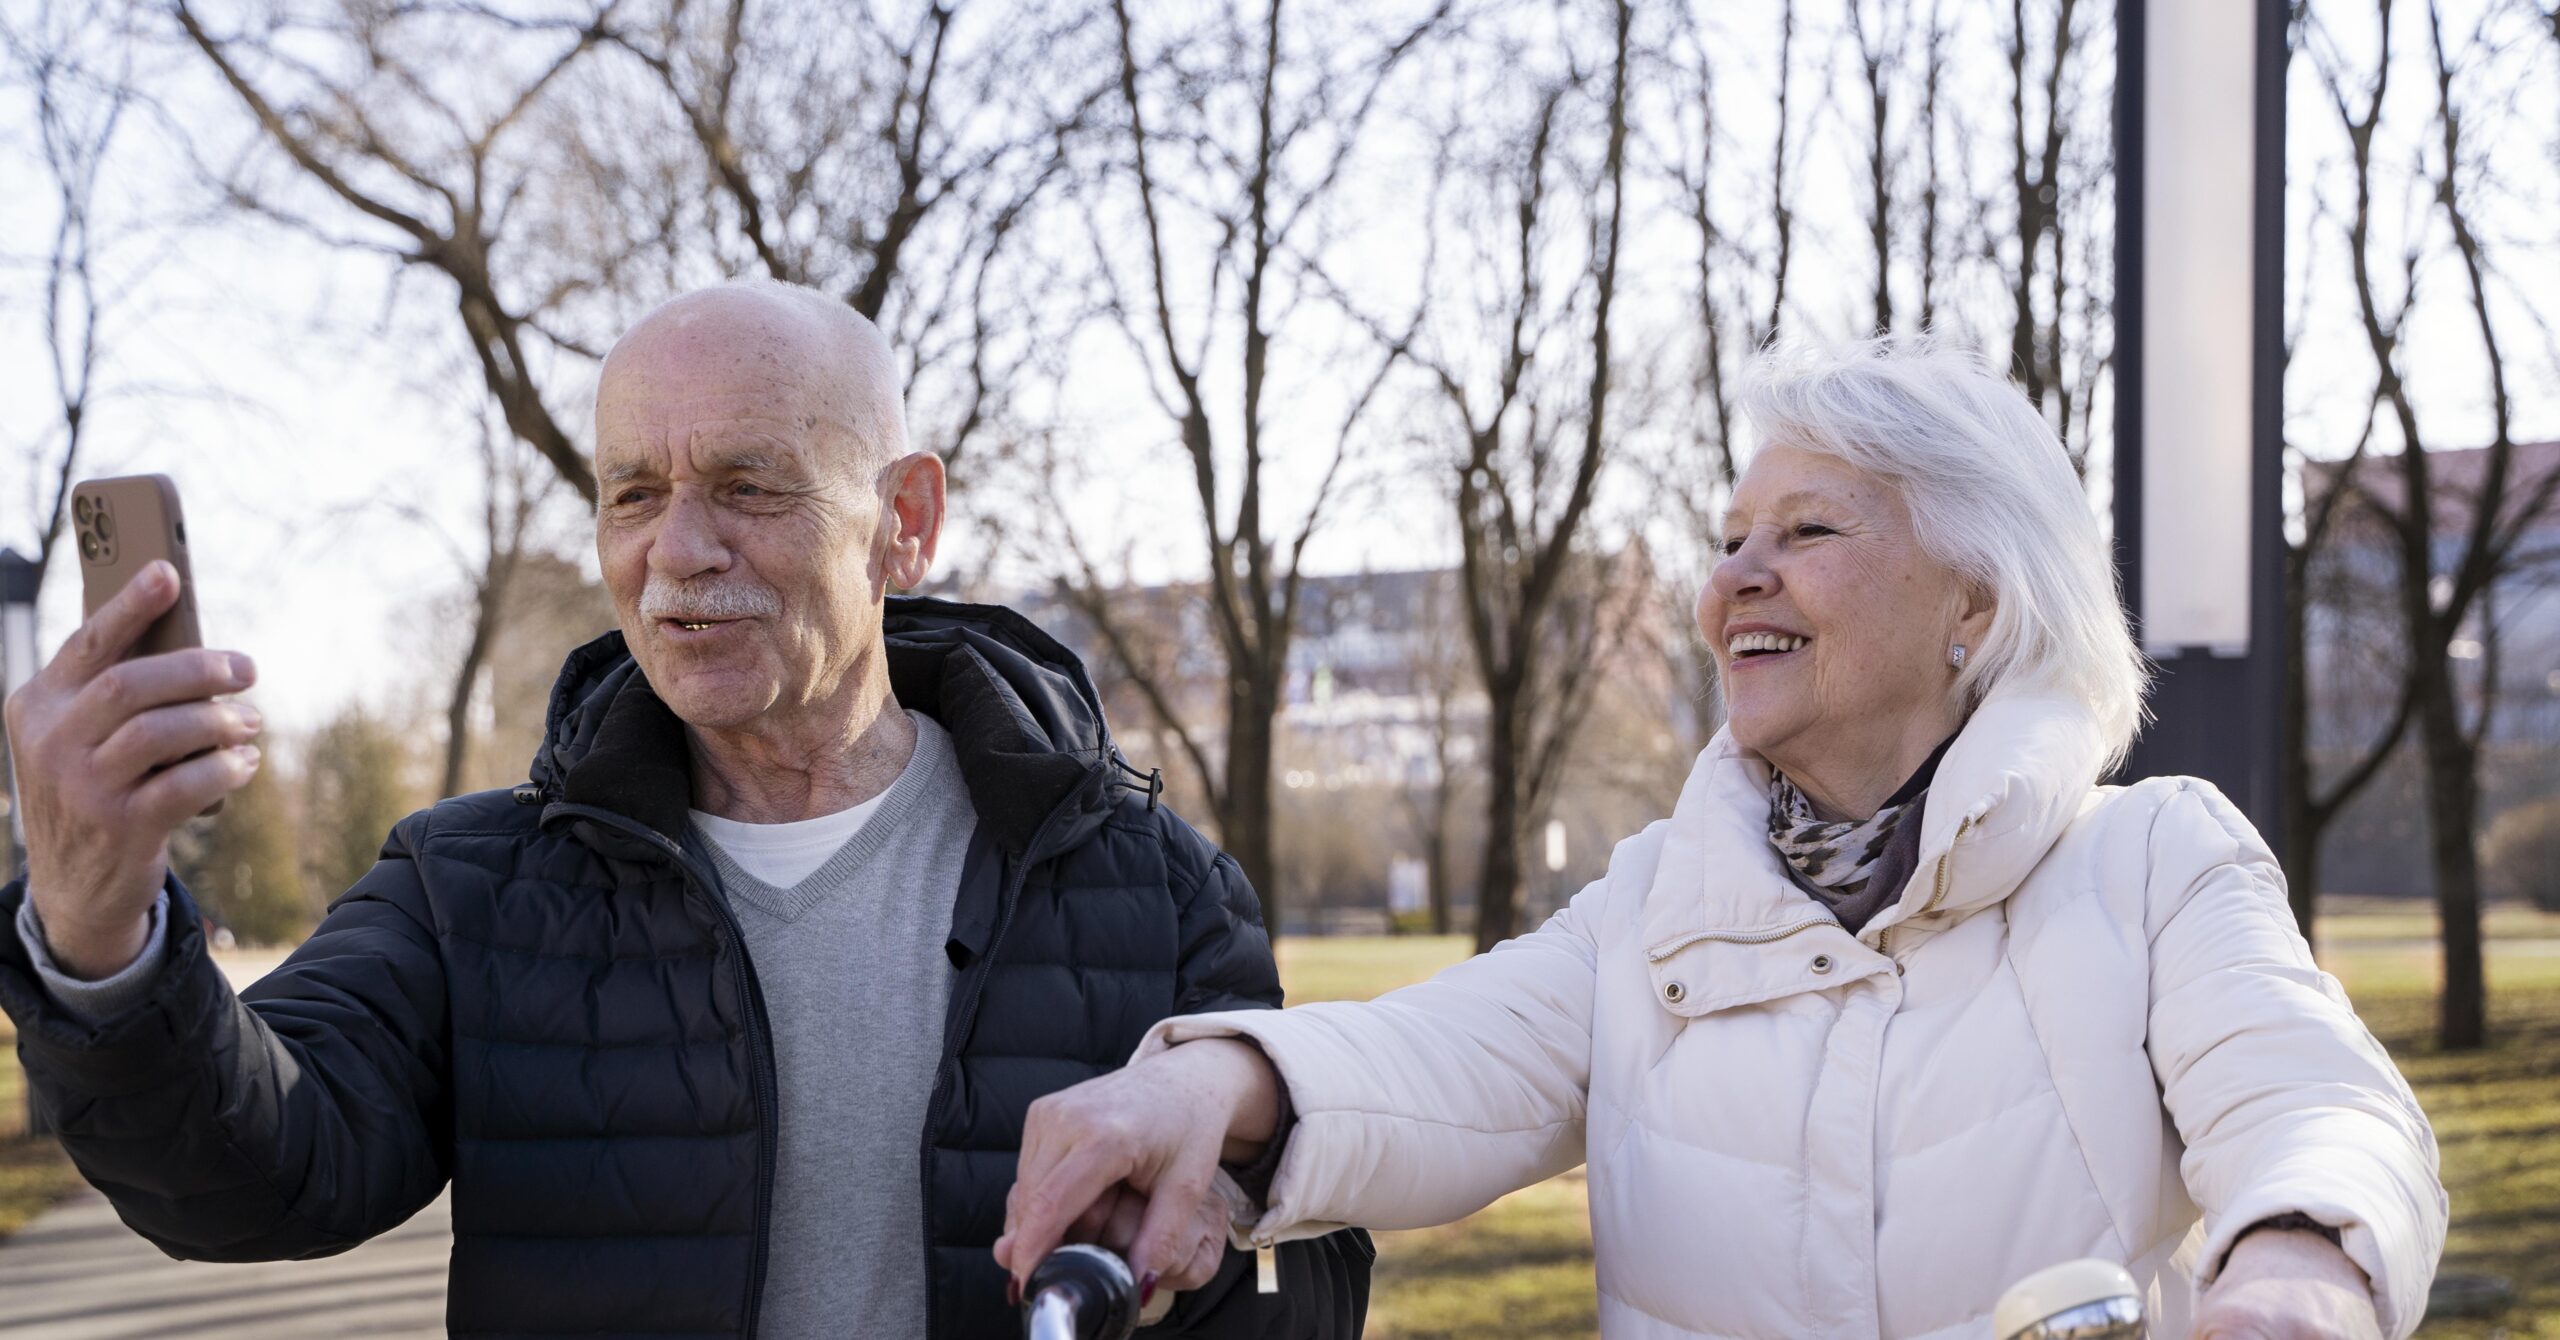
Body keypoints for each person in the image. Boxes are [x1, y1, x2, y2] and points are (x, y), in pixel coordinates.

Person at [0, 279, 1370, 1338]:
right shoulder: (465, 886)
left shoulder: (1153, 890)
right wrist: (95, 930)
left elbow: (1306, 1271)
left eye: (747, 486)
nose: (678, 551)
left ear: (903, 521)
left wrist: (1194, 1262)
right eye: (634, 495)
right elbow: (252, 1174)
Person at [998, 340, 2447, 1340]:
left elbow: (2317, 1105)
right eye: (1731, 537)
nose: (1735, 579)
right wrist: (1211, 1084)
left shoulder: (2153, 865)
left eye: (1807, 532)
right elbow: (1440, 1061)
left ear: (1977, 605)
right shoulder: (1656, 902)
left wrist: (2299, 1268)